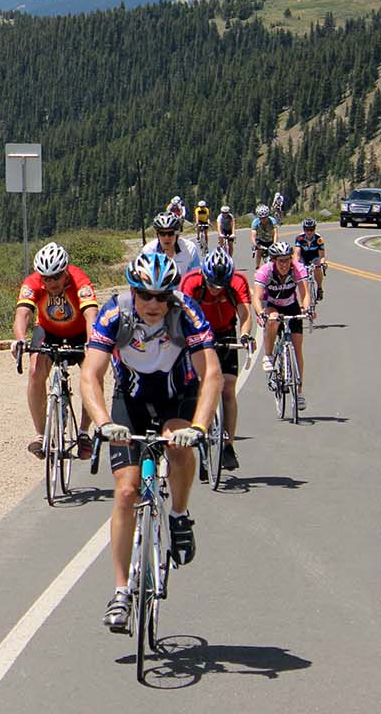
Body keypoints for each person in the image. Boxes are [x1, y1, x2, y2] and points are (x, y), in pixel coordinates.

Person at [80, 252, 222, 633]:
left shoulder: (186, 313)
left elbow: (212, 375)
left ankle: (178, 515)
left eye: (163, 296)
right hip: (130, 402)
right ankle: (121, 591)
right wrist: (104, 423)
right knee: (126, 492)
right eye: (146, 295)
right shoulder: (115, 314)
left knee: (179, 443)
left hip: (178, 397)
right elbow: (90, 374)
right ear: (133, 292)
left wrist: (200, 426)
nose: (155, 304)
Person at [12, 242, 99, 461]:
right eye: (46, 278)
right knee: (34, 372)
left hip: (79, 332)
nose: (50, 283)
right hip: (48, 331)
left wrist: (93, 342)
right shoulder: (32, 283)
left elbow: (91, 314)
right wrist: (20, 339)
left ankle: (84, 433)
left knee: (92, 375)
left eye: (56, 277)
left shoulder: (80, 280)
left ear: (66, 271)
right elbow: (23, 313)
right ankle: (41, 435)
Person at [180, 248, 255, 471]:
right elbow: (180, 313)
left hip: (225, 331)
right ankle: (202, 435)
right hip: (198, 333)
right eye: (212, 284)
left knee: (228, 387)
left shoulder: (237, 281)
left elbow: (245, 314)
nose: (216, 290)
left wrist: (245, 335)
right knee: (201, 386)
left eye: (221, 286)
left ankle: (228, 445)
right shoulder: (191, 281)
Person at [252, 242, 315, 409]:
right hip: (271, 304)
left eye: (287, 260)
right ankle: (269, 355)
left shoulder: (297, 268)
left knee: (297, 346)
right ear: (273, 260)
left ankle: (299, 392)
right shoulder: (264, 271)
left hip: (291, 304)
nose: (284, 264)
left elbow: (305, 293)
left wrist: (308, 309)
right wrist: (261, 313)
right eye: (281, 261)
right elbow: (257, 298)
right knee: (273, 319)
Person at [142, 210, 201, 277]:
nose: (166, 237)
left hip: (182, 286)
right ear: (157, 234)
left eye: (170, 233)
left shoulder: (190, 249)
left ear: (177, 234)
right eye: (162, 234)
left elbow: (196, 277)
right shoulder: (148, 251)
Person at [294, 218, 326, 301]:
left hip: (314, 256)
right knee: (301, 273)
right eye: (306, 230)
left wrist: (322, 263)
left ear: (314, 229)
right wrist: (295, 265)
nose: (309, 232)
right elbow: (297, 254)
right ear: (303, 229)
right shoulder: (299, 238)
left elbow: (322, 255)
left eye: (311, 230)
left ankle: (319, 288)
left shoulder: (319, 239)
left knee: (318, 268)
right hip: (303, 257)